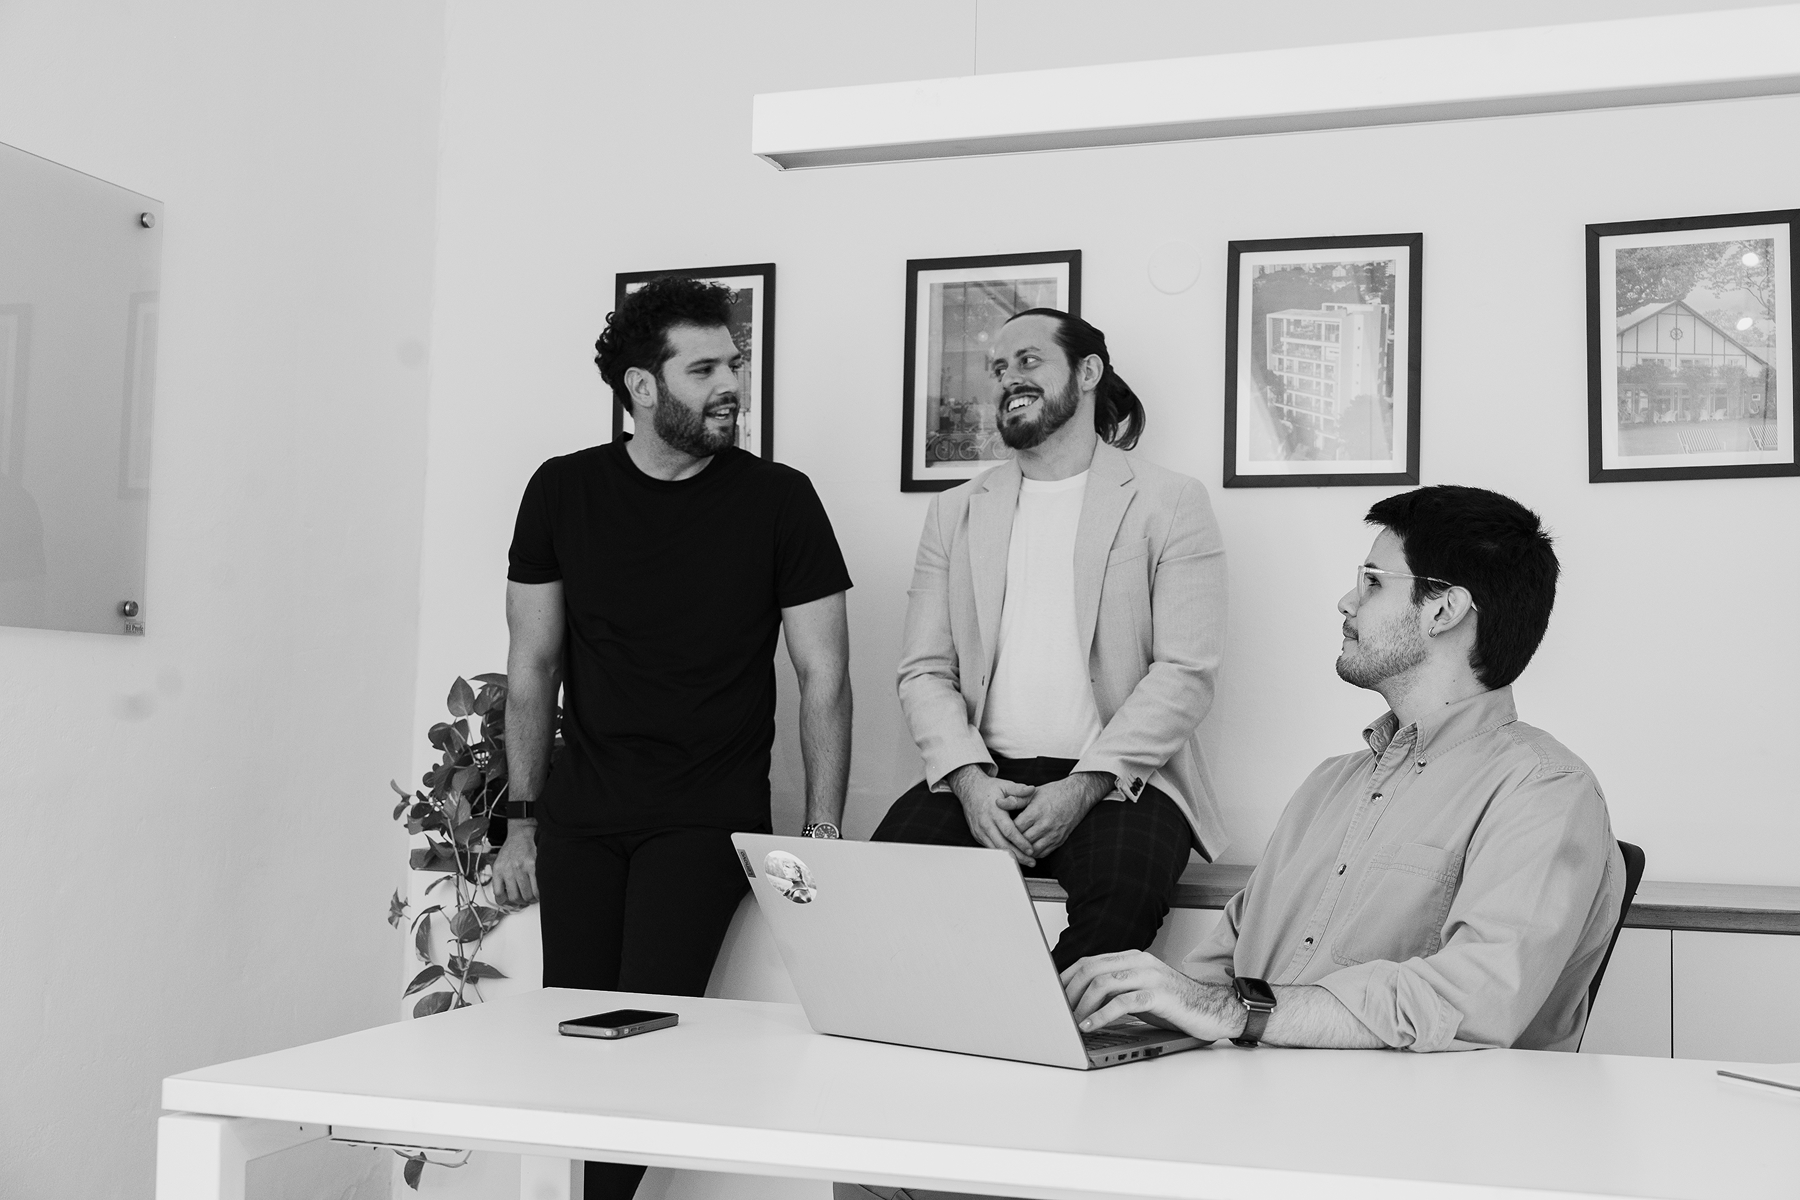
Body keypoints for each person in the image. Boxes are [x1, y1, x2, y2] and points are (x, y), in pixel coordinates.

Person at [494, 276, 853, 1200]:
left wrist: (819, 836)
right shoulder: (563, 489)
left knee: (641, 1035)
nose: (732, 383)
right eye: (705, 369)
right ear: (643, 387)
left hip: (704, 814)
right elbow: (533, 665)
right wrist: (521, 821)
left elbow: (824, 675)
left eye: (734, 363)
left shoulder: (780, 499)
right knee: (573, 1037)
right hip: (583, 814)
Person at [1066, 485, 1626, 1053]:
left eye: (1373, 582)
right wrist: (1131, 1004)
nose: (1346, 602)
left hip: (1415, 1108)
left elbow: (1469, 1005)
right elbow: (1212, 977)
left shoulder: (1545, 791)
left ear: (1444, 610)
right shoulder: (1326, 787)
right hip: (1245, 1091)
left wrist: (1232, 1010)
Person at [880, 307, 1228, 972]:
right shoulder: (954, 510)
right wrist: (969, 780)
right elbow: (924, 670)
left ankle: (1044, 1026)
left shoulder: (1171, 501)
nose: (1007, 378)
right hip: (981, 774)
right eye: (998, 368)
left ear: (1088, 372)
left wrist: (1084, 784)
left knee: (1123, 899)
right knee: (883, 889)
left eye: (1028, 360)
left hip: (1121, 778)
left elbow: (1185, 671)